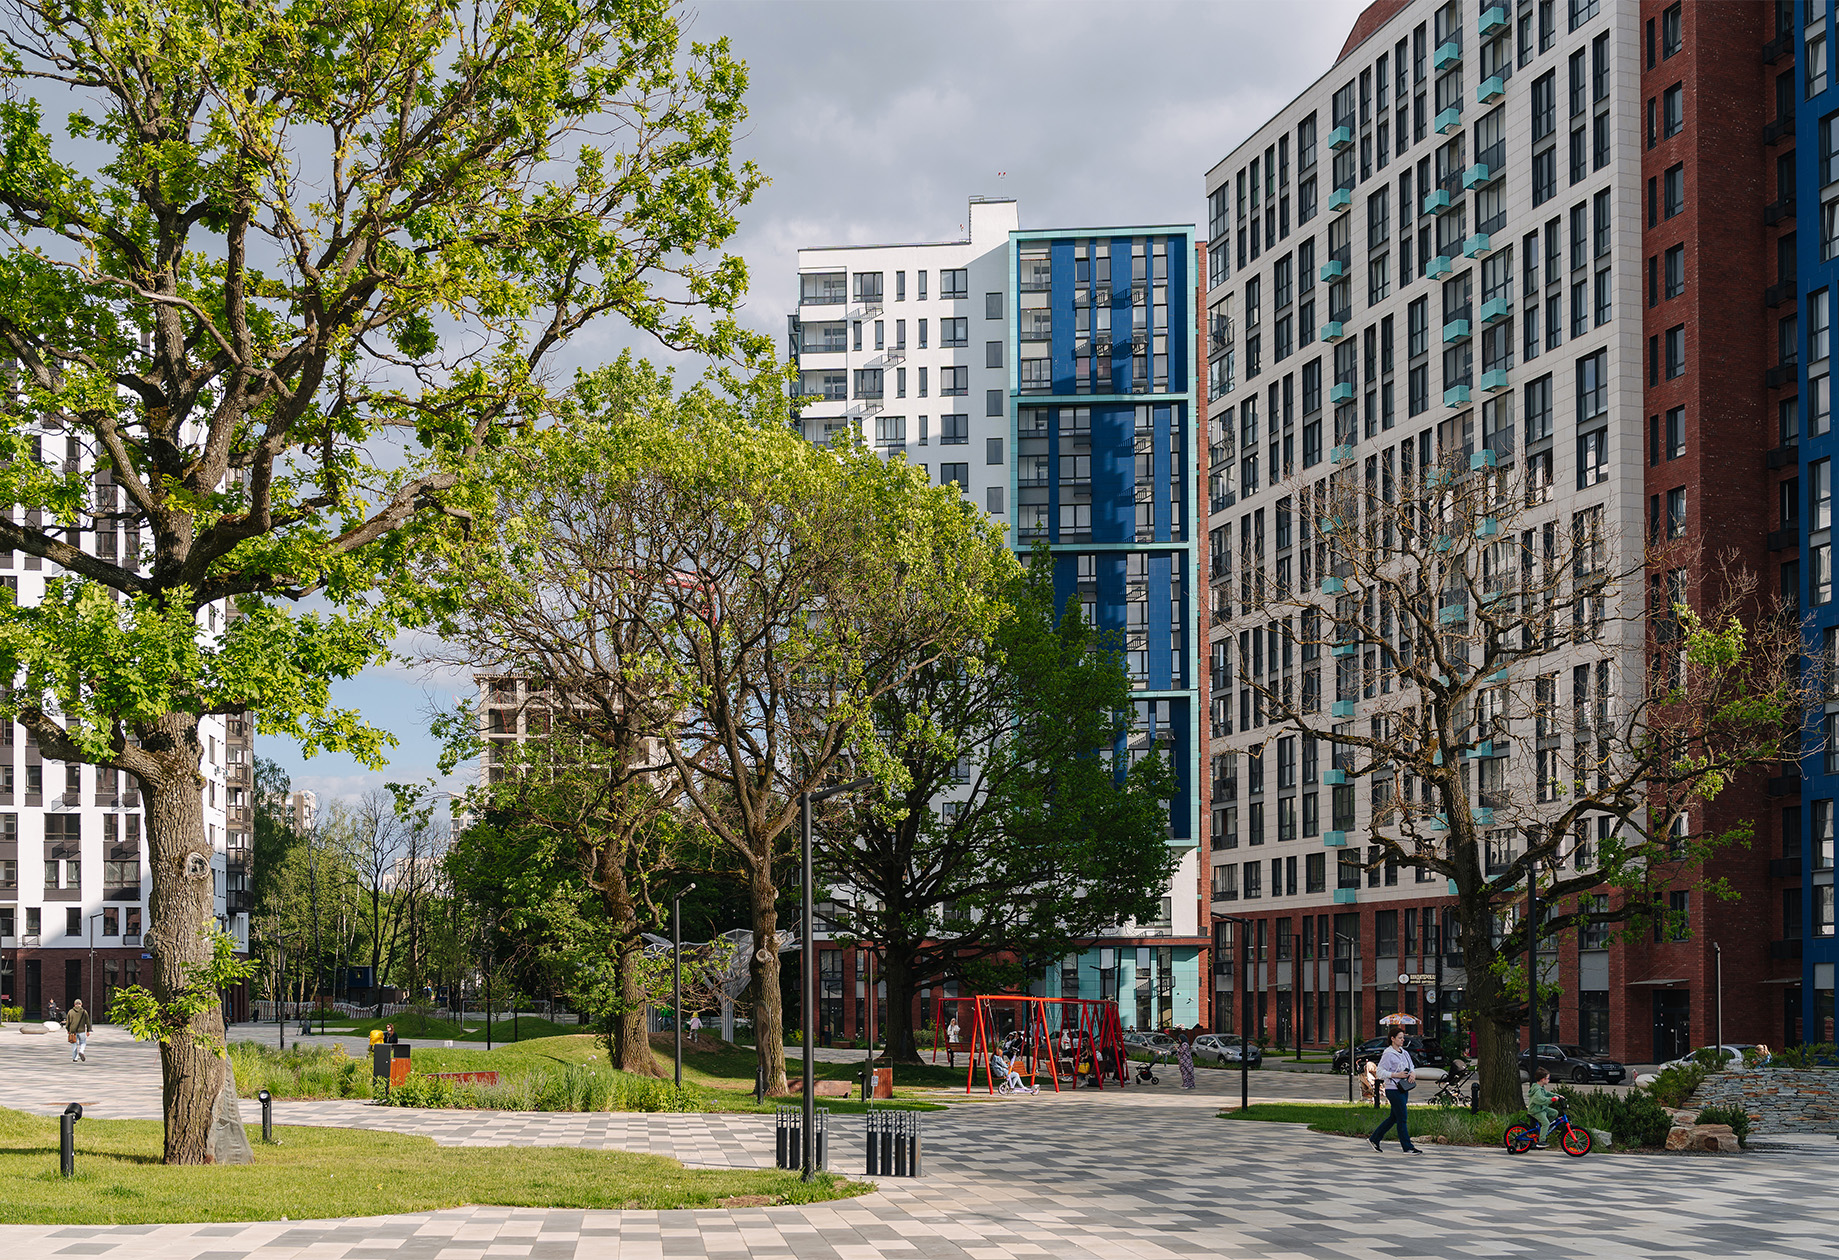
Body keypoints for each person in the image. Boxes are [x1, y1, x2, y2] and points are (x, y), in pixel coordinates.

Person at [1367, 1028, 1422, 1154]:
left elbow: (1412, 1066)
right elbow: (1380, 1072)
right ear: (1392, 1039)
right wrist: (1396, 1075)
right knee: (1402, 1117)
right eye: (1400, 1038)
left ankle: (1374, 1139)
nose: (1402, 1040)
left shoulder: (1404, 1053)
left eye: (1403, 1038)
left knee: (1394, 1117)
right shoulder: (1388, 1054)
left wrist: (1412, 1073)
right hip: (1393, 1089)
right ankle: (1407, 1147)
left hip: (1404, 1088)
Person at [1526, 1068, 1562, 1148]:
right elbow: (1539, 1100)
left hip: (1541, 1108)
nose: (1549, 1080)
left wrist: (1557, 1095)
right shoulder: (1537, 1089)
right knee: (1546, 1123)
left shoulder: (1541, 1087)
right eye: (1548, 1078)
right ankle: (1541, 1141)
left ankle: (1543, 1129)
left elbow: (1547, 1093)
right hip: (1536, 1110)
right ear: (1543, 1079)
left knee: (1554, 1113)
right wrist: (1552, 1099)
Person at [65, 999, 91, 1063]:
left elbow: (67, 1022)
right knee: (83, 1042)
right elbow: (88, 1022)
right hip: (82, 1030)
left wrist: (68, 1029)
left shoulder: (70, 1012)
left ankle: (75, 1058)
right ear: (81, 1004)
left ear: (74, 1004)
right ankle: (81, 1051)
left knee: (74, 1044)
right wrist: (88, 1030)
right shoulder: (84, 1012)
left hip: (73, 1031)